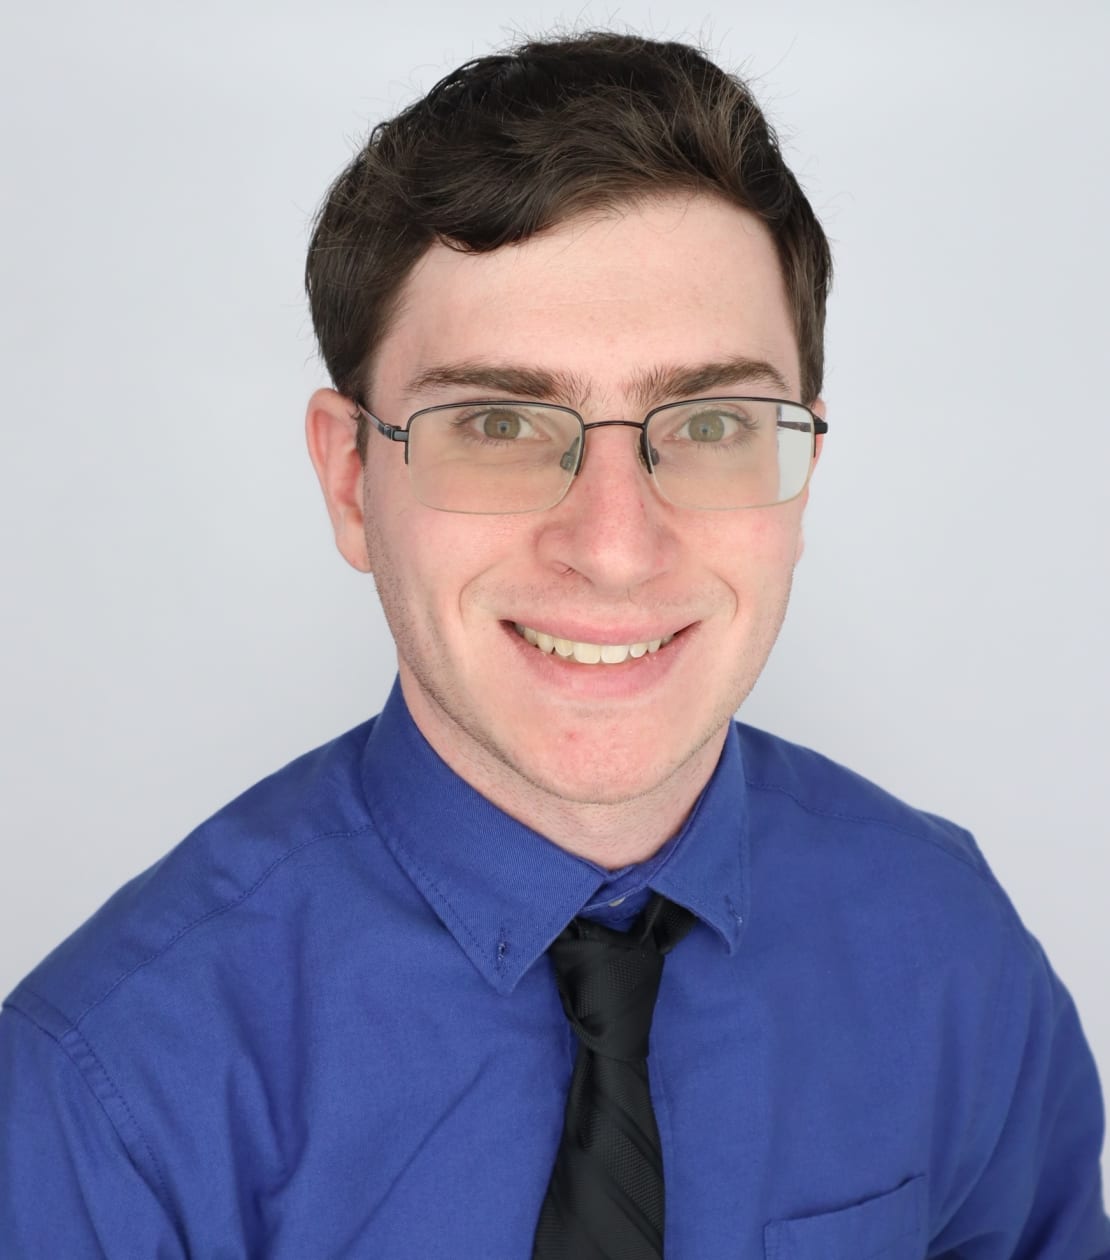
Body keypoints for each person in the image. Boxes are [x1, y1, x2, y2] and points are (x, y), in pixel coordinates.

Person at [1, 29, 1107, 1259]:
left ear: (801, 472)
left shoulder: (953, 955)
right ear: (351, 480)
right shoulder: (99, 1096)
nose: (617, 545)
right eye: (499, 420)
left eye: (711, 421)